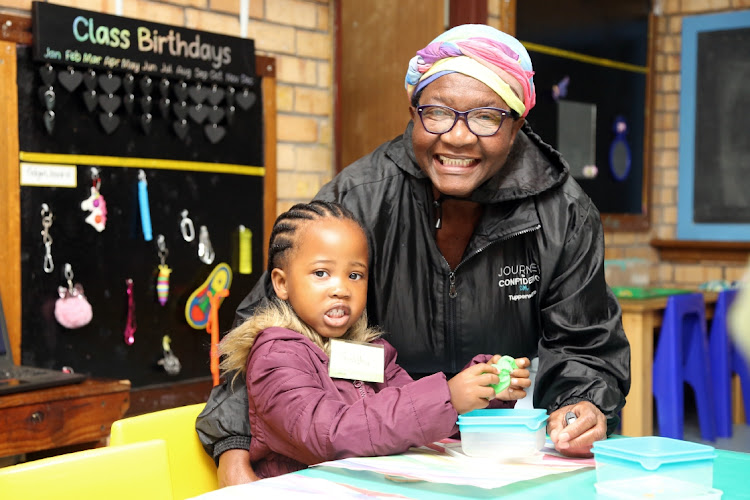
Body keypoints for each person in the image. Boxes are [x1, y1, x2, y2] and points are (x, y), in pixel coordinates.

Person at [197, 24, 631, 486]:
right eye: (438, 112)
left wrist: (584, 403)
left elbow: (583, 345)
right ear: (412, 113)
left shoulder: (563, 213)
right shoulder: (360, 198)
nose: (459, 138)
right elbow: (264, 329)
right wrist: (232, 444)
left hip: (490, 455)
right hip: (368, 456)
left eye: (486, 117)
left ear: (518, 122)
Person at [218, 200, 531, 478]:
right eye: (321, 274)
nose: (340, 288)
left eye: (355, 275)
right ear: (281, 284)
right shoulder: (276, 355)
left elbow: (418, 421)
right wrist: (447, 396)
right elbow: (329, 435)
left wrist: (483, 389)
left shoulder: (372, 352)